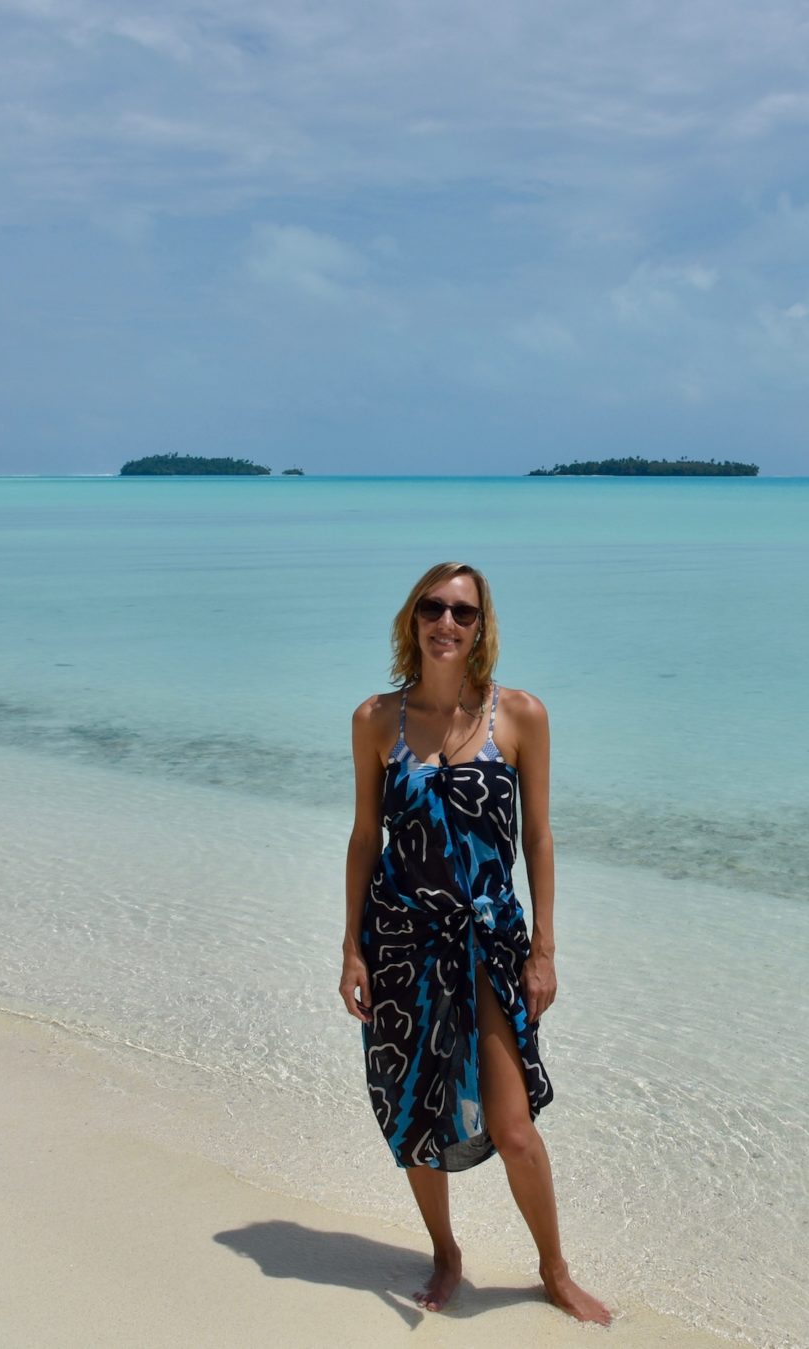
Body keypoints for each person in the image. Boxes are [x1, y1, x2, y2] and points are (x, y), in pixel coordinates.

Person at [340, 561, 611, 1324]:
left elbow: (540, 838)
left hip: (489, 941)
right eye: (433, 607)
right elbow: (365, 837)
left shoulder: (519, 715)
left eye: (463, 611)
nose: (447, 622)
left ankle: (554, 1270)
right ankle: (446, 1250)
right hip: (399, 940)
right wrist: (351, 949)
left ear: (482, 625)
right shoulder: (374, 720)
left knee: (513, 1127)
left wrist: (545, 949)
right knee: (415, 1115)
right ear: (412, 618)